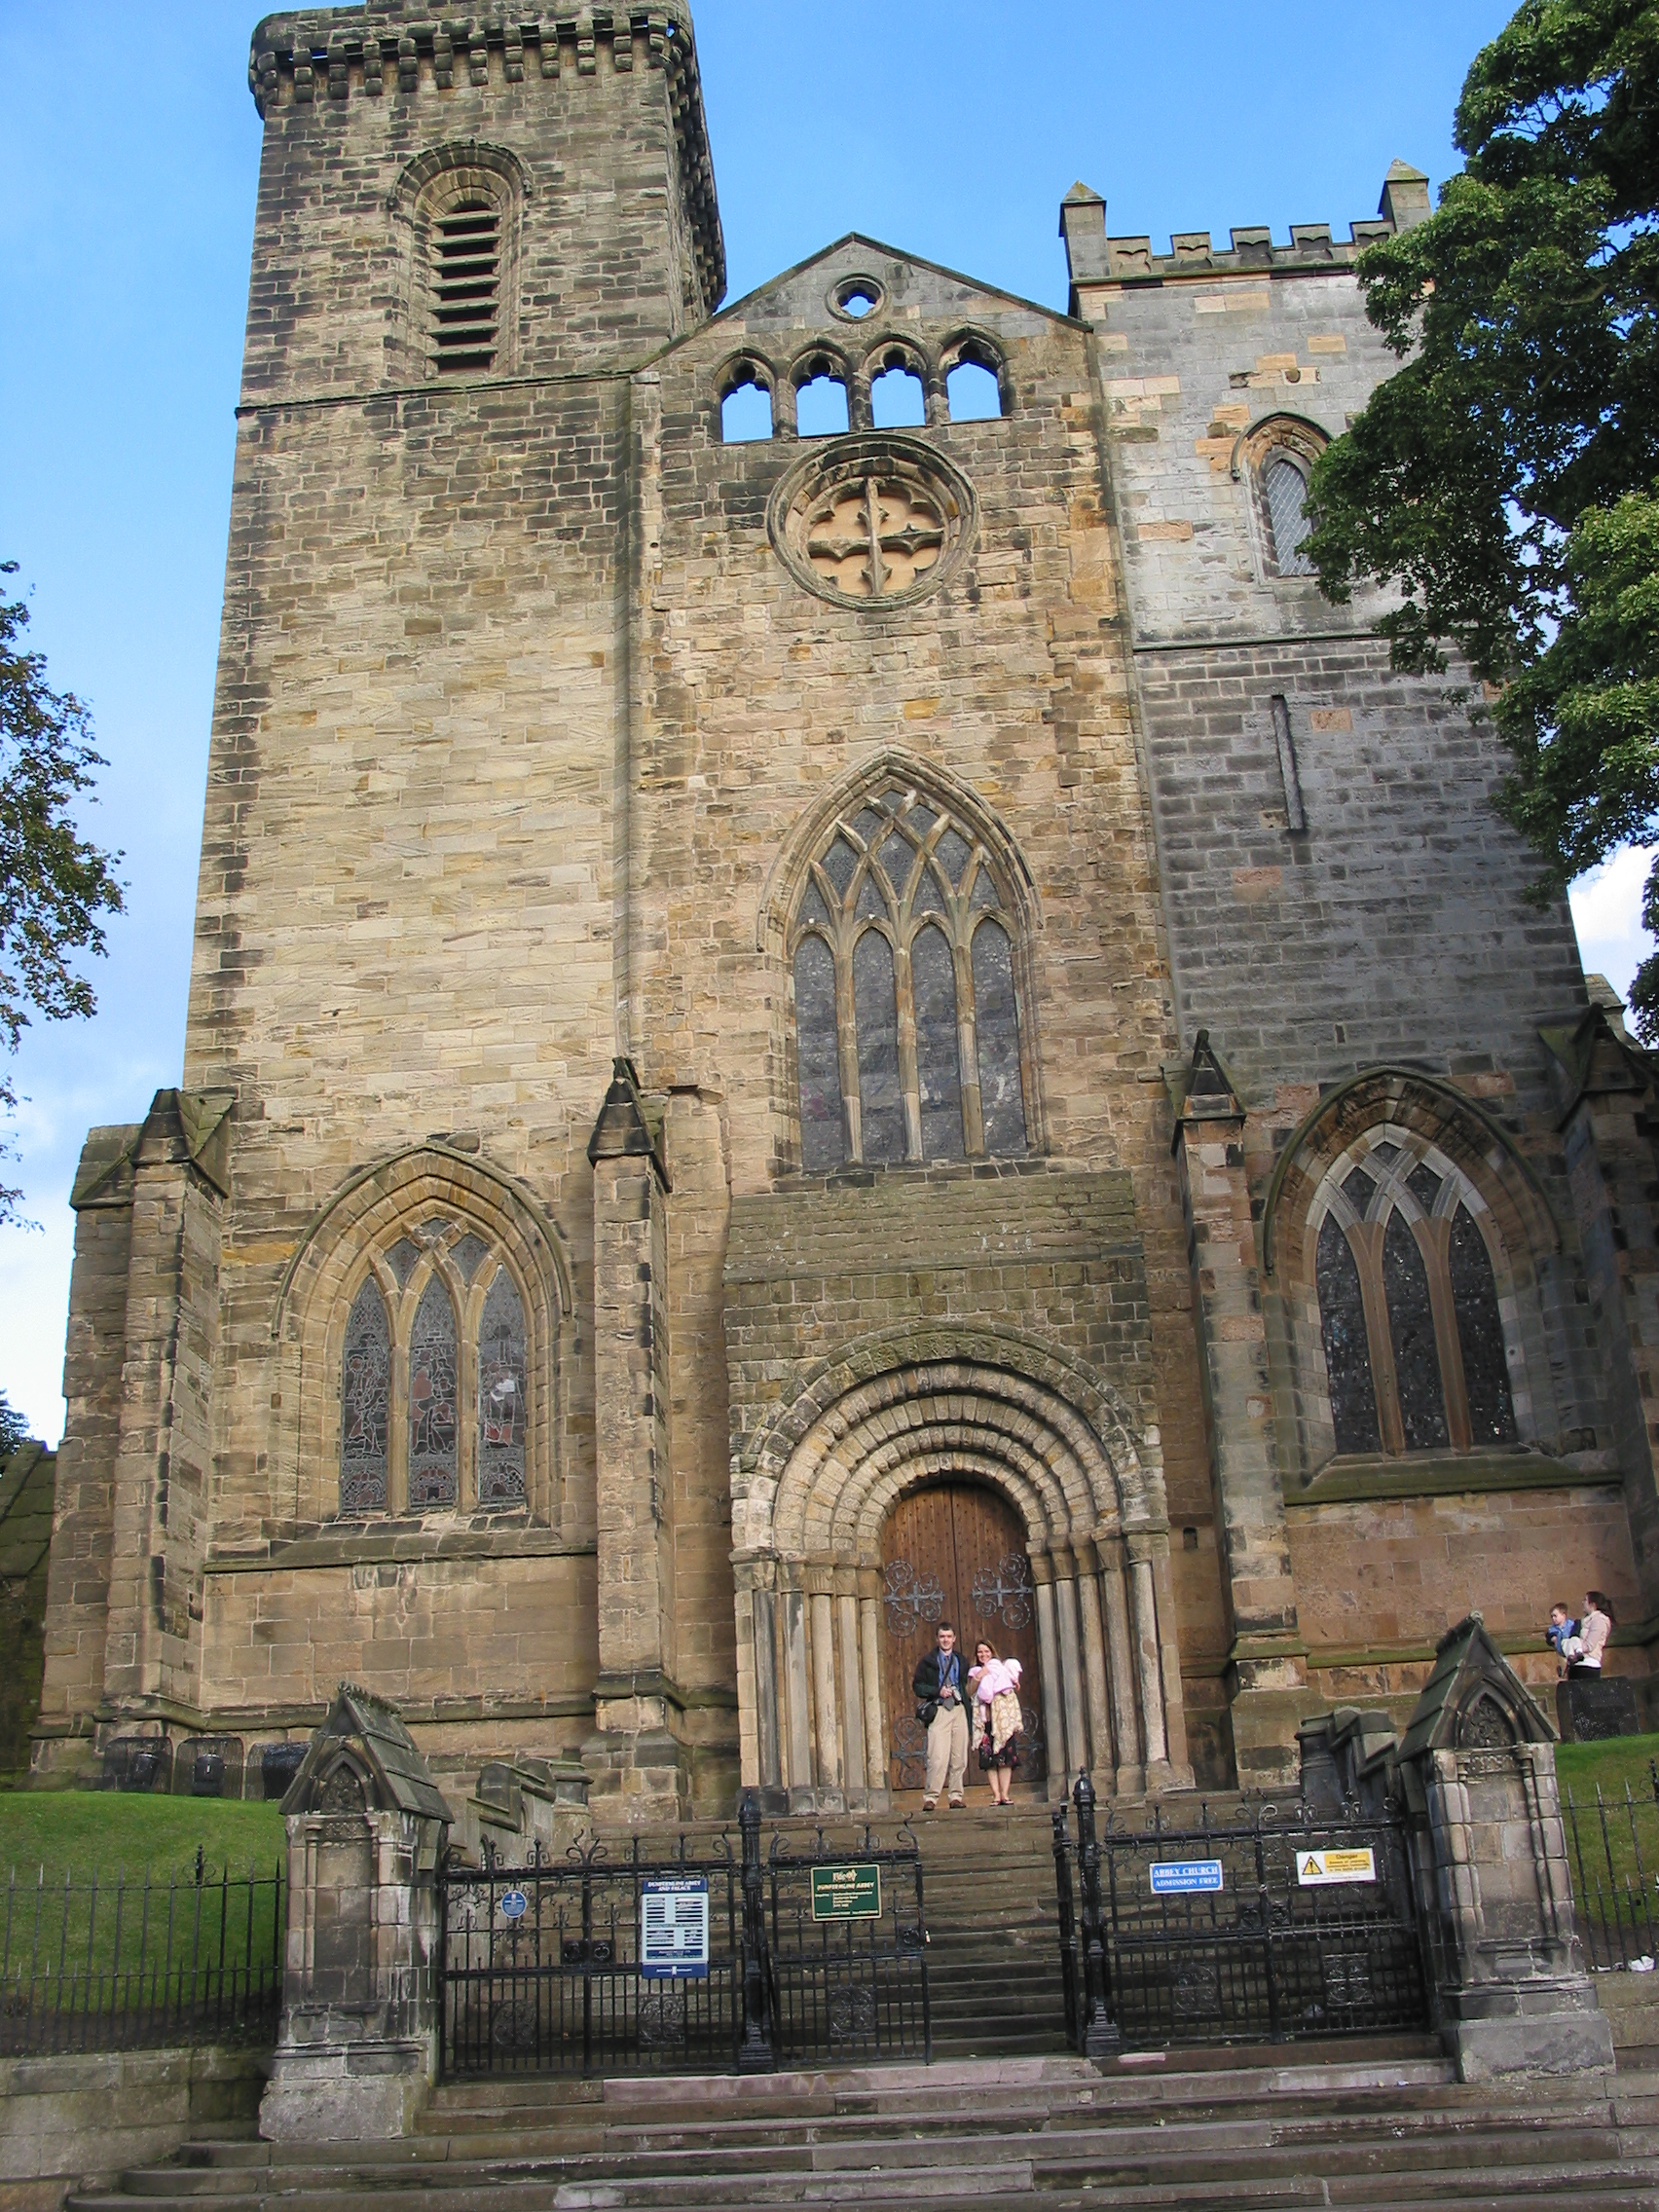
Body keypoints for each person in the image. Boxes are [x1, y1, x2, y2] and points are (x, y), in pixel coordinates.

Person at [912, 1621, 968, 1810]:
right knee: (937, 1756)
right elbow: (917, 1686)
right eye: (942, 1637)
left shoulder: (961, 1660)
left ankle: (956, 1796)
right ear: (937, 1639)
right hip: (940, 1710)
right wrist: (937, 1691)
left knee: (959, 1756)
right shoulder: (928, 1661)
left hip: (958, 1709)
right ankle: (931, 1797)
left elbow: (966, 1685)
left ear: (954, 1639)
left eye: (949, 1637)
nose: (946, 1640)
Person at [968, 1639, 1023, 1806]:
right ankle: (996, 1795)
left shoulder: (1001, 1668)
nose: (983, 1654)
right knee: (989, 1760)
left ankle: (1005, 1794)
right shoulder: (975, 1671)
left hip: (1002, 1721)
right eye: (980, 1652)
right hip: (986, 1722)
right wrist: (980, 1676)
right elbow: (970, 1691)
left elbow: (1014, 1686)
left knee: (1005, 1758)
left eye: (986, 1651)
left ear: (992, 1652)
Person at [1569, 1591, 1613, 1677]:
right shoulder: (1583, 1620)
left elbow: (1589, 1645)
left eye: (1585, 1600)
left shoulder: (1599, 1620)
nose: (1583, 1602)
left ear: (1593, 1604)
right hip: (1577, 1664)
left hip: (1588, 1665)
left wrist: (1574, 1645)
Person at [1546, 1602, 1580, 1676]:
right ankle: (1569, 1659)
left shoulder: (1571, 1624)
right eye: (1552, 1617)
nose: (1553, 1618)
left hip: (1571, 1647)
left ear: (1563, 1616)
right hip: (1561, 1650)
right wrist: (1552, 1639)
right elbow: (1548, 1638)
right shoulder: (1552, 1629)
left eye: (1555, 1616)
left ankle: (1577, 1652)